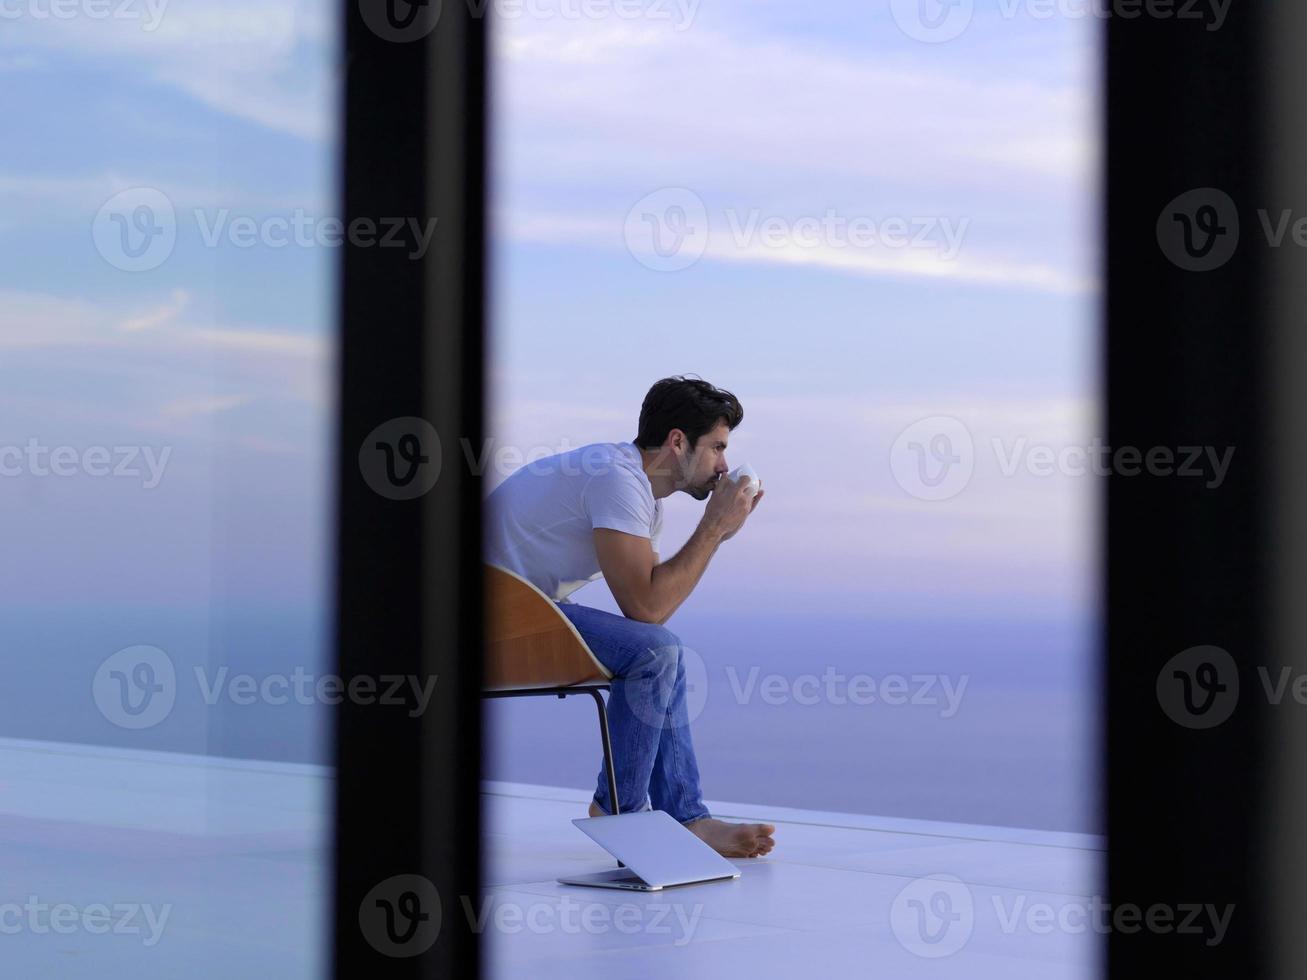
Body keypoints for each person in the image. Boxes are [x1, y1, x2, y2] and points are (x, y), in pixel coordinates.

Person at [485, 376, 775, 858]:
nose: (723, 465)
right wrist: (712, 527)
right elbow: (646, 608)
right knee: (658, 651)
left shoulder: (638, 493)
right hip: (495, 611)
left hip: (520, 605)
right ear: (678, 441)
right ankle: (623, 810)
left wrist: (718, 533)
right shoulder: (615, 478)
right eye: (717, 448)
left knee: (664, 654)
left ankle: (686, 817)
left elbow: (651, 606)